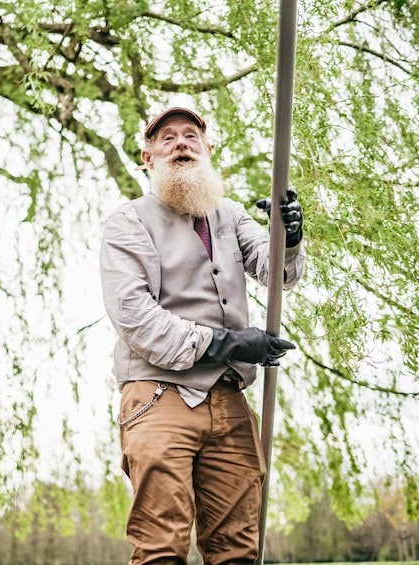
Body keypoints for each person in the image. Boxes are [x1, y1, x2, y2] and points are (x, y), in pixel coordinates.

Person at [99, 107, 306, 564]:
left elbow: (278, 274)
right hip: (159, 396)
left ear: (208, 151)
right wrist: (226, 343)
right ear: (147, 158)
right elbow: (134, 316)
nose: (180, 144)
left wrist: (289, 236)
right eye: (166, 138)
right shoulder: (128, 221)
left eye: (190, 136)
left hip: (230, 403)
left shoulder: (230, 215)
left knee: (237, 550)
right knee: (161, 548)